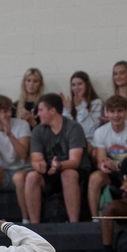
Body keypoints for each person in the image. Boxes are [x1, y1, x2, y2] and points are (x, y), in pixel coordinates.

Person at [25, 93, 89, 223]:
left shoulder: (73, 128)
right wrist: (40, 165)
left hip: (73, 170)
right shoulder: (38, 130)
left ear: (52, 111)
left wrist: (59, 165)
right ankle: (34, 226)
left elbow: (75, 161)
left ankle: (73, 224)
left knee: (68, 174)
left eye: (41, 110)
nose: (38, 114)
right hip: (49, 171)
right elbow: (35, 158)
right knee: (31, 177)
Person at [0, 94, 31, 219]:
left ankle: (26, 219)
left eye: (9, 110)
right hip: (3, 174)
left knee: (19, 178)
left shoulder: (22, 125)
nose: (8, 114)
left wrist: (9, 134)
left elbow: (23, 154)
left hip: (22, 170)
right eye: (4, 111)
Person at [89, 95, 127, 215]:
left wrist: (119, 169)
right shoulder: (100, 132)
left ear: (126, 112)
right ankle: (95, 218)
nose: (116, 115)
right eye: (112, 111)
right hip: (112, 173)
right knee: (95, 178)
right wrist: (105, 166)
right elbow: (101, 161)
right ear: (106, 113)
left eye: (120, 111)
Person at [62, 71, 104, 140]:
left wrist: (80, 106)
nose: (76, 88)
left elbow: (88, 130)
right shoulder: (70, 103)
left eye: (80, 84)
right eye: (73, 85)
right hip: (73, 141)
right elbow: (67, 129)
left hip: (91, 142)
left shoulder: (97, 102)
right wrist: (67, 111)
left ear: (87, 85)